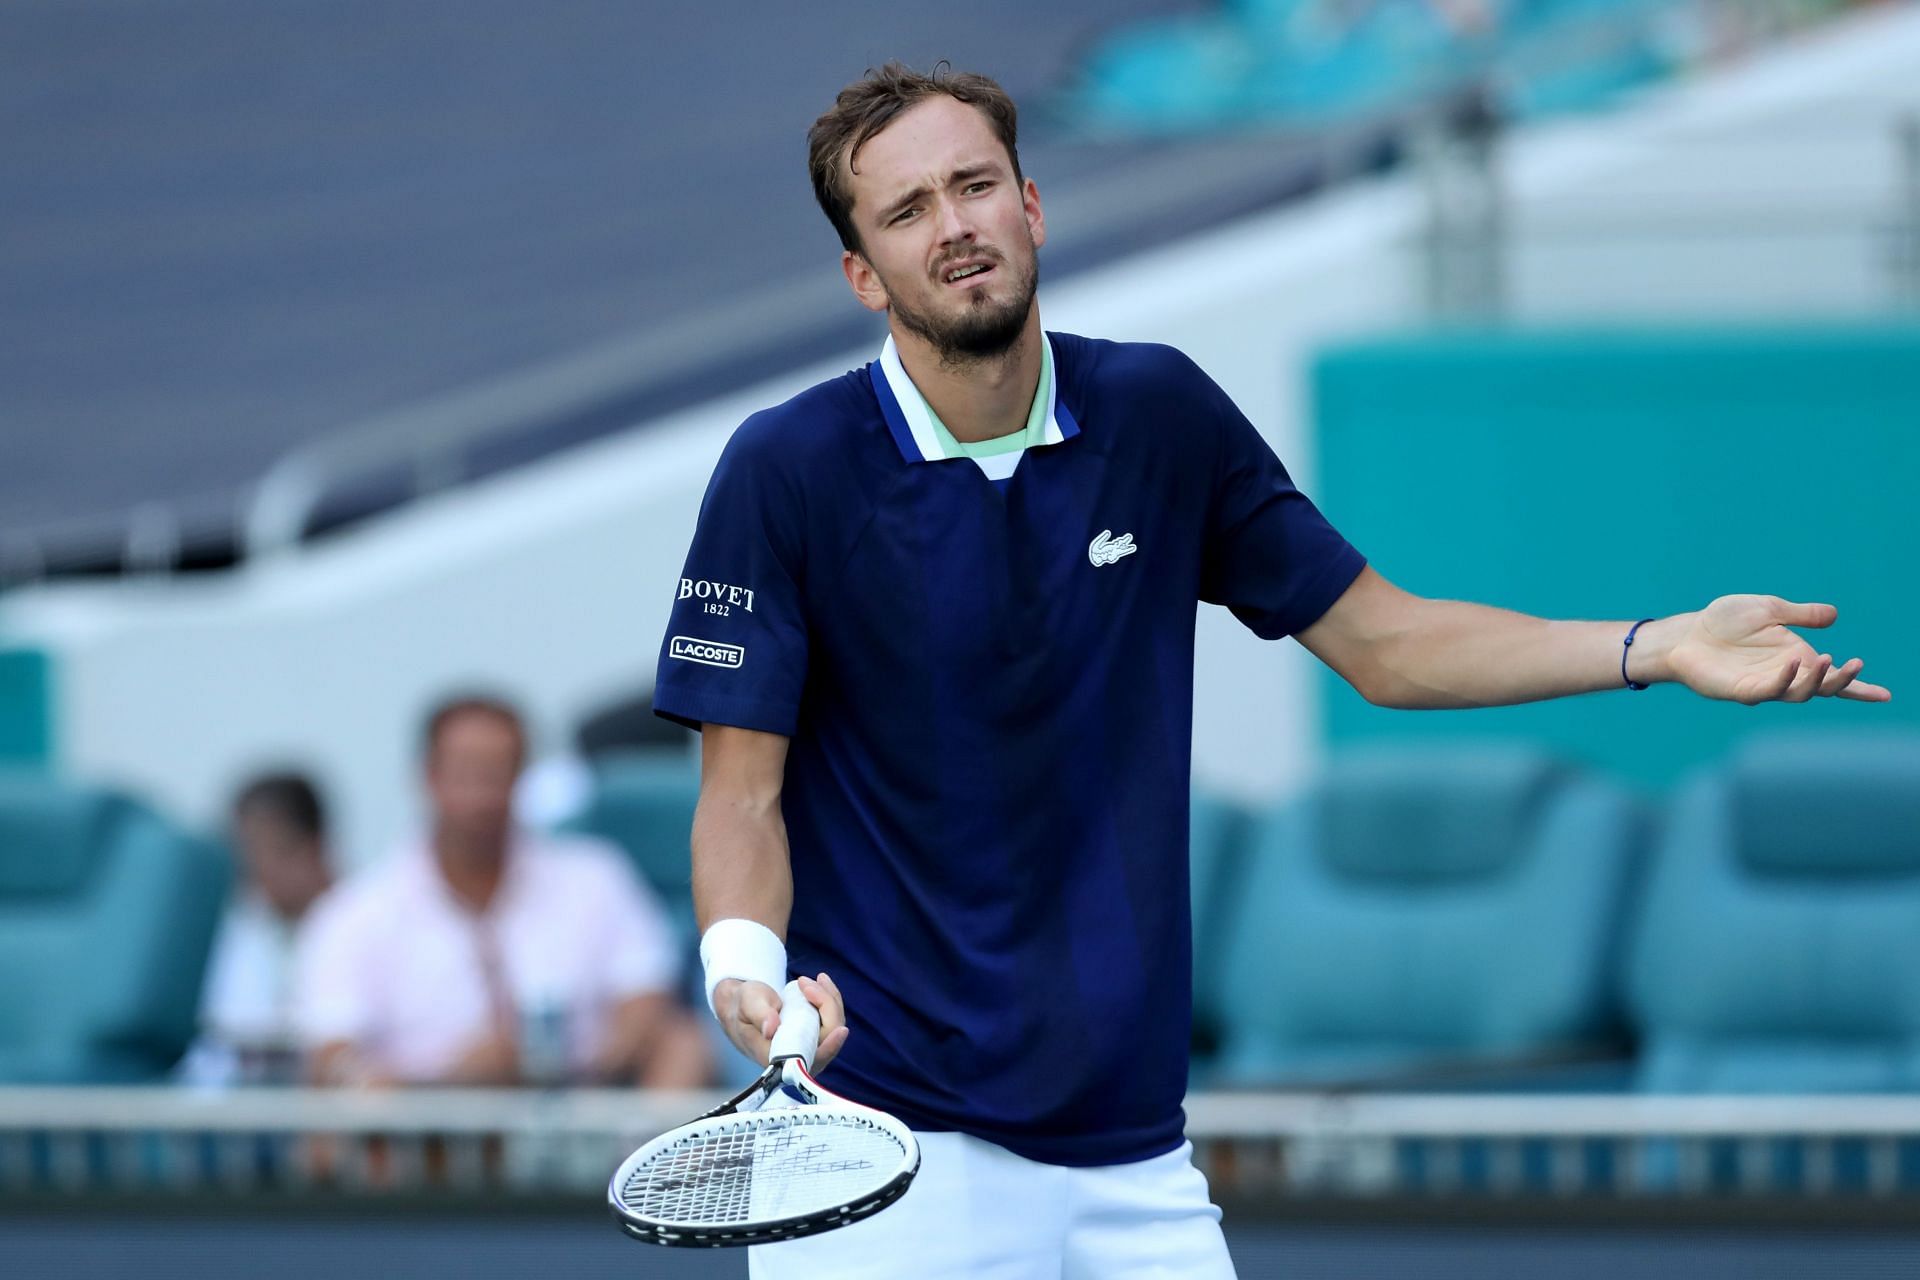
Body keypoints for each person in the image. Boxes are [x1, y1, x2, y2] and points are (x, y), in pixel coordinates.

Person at [652, 63, 1890, 1278]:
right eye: (908, 210)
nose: (955, 225)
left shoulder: (1159, 412)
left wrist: (1655, 644)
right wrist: (742, 969)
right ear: (864, 273)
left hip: (1135, 1158)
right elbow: (742, 789)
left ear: (1031, 206)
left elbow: (1388, 643)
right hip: (893, 1152)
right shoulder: (786, 467)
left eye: (975, 186)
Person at [293, 694, 711, 1088]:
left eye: (499, 772)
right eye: (467, 772)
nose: (484, 796)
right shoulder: (354, 913)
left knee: (683, 1043)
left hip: (581, 1108)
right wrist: (446, 1082)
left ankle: (641, 1169)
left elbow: (646, 999)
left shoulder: (594, 878)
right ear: (428, 776)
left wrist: (574, 1066)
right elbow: (331, 1052)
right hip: (423, 1139)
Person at [182, 772, 334, 1086]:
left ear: (311, 847)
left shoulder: (364, 923)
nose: (251, 869)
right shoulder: (242, 930)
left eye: (261, 850)